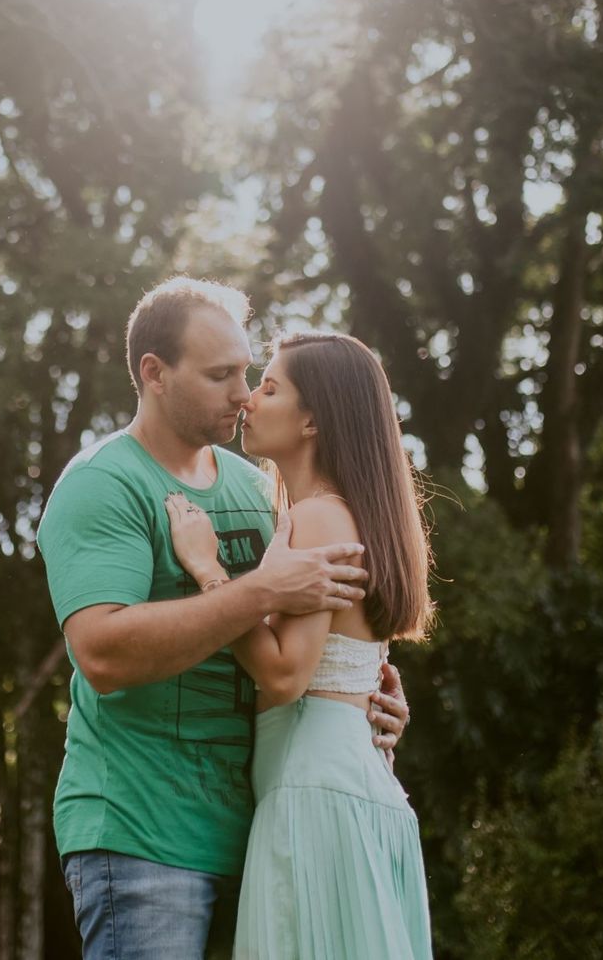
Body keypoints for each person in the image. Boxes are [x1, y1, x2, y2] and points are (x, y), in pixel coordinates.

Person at [36, 278, 413, 959]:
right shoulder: (104, 484)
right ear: (155, 373)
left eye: (249, 373)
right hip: (146, 836)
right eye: (221, 375)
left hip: (266, 824)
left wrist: (363, 692)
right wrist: (247, 587)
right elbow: (102, 655)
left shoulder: (261, 490)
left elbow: (316, 634)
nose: (243, 394)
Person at [166, 331, 434, 959]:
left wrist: (210, 572)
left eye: (269, 388)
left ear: (311, 420)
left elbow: (286, 676)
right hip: (349, 786)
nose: (248, 400)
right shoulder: (338, 514)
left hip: (314, 794)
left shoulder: (318, 516)